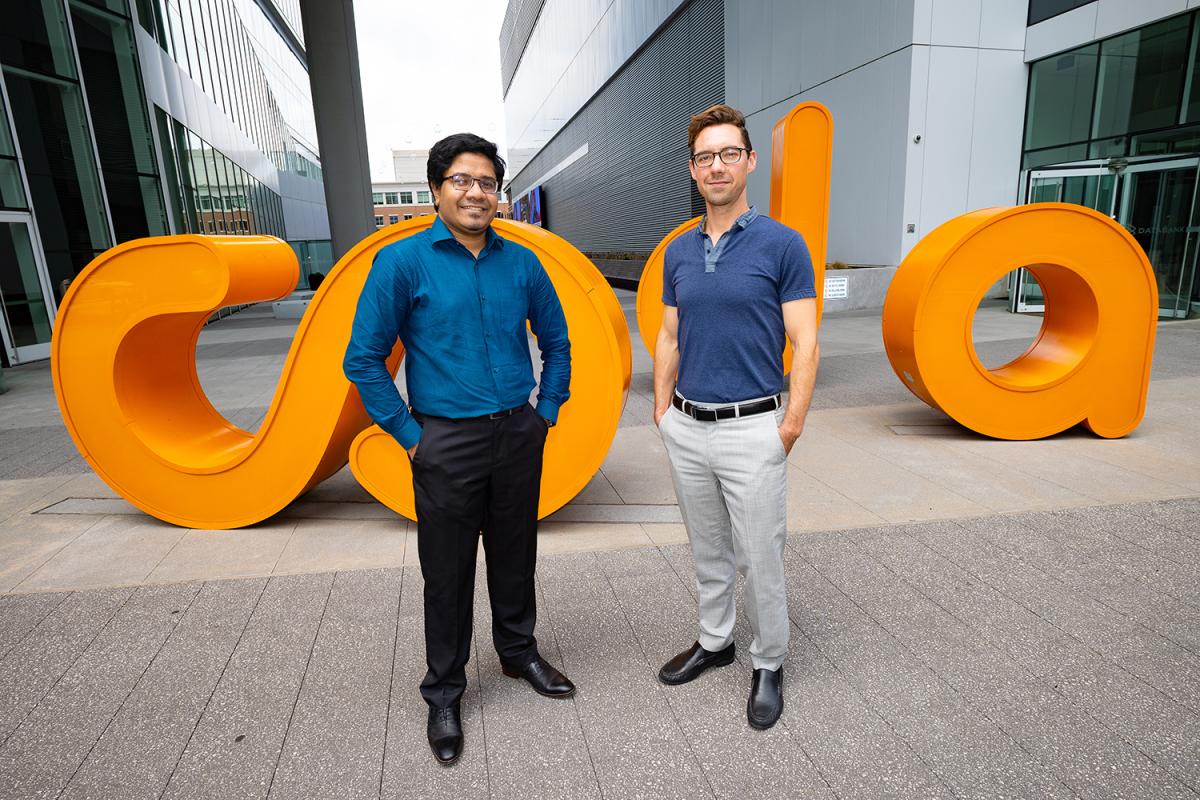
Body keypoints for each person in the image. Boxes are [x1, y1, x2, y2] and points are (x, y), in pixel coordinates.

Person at [344, 133, 573, 766]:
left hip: (517, 434)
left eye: (487, 182)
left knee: (515, 554)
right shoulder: (402, 263)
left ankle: (519, 652)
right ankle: (444, 691)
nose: (476, 192)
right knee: (446, 575)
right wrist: (413, 438)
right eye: (462, 181)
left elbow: (558, 342)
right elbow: (362, 360)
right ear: (437, 190)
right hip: (443, 440)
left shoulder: (522, 262)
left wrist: (544, 415)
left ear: (499, 193)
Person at [653, 104, 819, 730]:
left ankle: (769, 662)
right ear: (692, 171)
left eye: (727, 154)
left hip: (756, 427)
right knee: (708, 548)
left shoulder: (783, 244)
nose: (715, 165)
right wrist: (662, 408)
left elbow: (805, 341)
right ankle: (715, 643)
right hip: (688, 426)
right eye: (704, 157)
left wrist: (790, 425)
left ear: (750, 161)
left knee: (761, 553)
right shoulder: (678, 251)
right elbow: (670, 335)